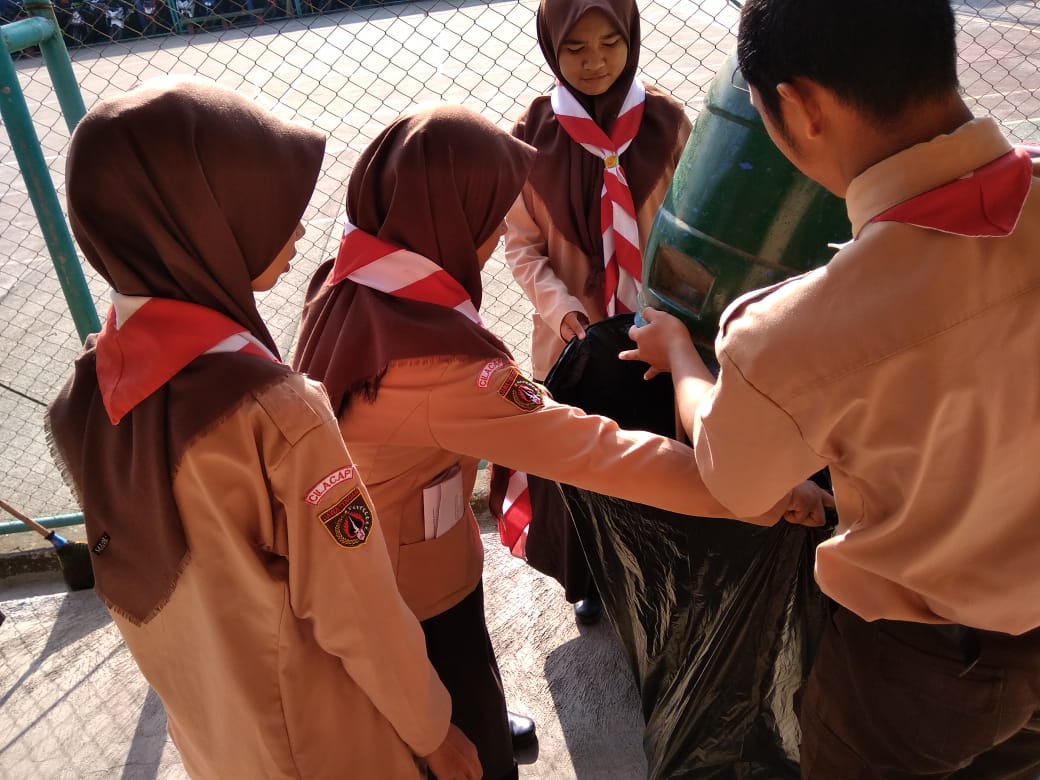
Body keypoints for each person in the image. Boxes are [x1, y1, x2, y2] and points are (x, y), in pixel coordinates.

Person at [291, 103, 826, 780]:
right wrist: (758, 492)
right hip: (412, 599)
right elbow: (598, 453)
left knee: (465, 695)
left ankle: (471, 716)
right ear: (448, 221)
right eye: (488, 220)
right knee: (463, 748)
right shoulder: (438, 367)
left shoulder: (355, 276)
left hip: (399, 555)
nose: (494, 238)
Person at [622, 0, 1040, 776]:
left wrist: (682, 356)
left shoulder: (796, 334)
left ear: (803, 107)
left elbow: (736, 479)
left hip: (915, 676)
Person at [45, 76, 481, 780]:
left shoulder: (84, 398)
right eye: (263, 207)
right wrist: (432, 729)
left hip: (217, 740)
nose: (300, 227)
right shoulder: (276, 412)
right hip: (326, 744)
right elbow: (357, 608)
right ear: (198, 223)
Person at [503, 0, 693, 624]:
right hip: (575, 338)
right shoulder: (530, 135)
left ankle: (670, 566)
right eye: (575, 48)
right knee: (582, 456)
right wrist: (563, 312)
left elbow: (693, 226)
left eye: (610, 43)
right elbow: (522, 246)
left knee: (663, 444)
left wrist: (677, 310)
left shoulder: (668, 123)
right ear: (550, 47)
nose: (595, 62)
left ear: (630, 38)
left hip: (659, 329)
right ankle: (593, 578)